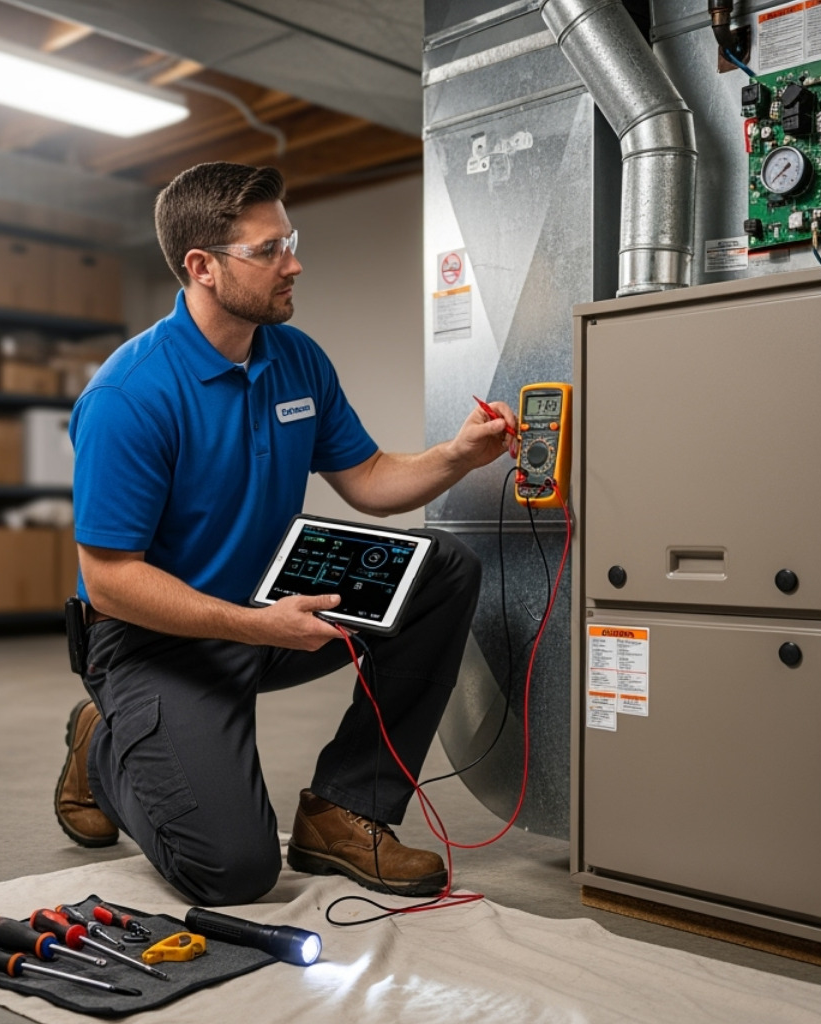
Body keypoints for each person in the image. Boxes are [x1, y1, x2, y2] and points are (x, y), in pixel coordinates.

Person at [54, 162, 517, 907]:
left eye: (288, 241)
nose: (292, 263)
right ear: (202, 267)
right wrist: (254, 626)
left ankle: (346, 808)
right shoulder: (128, 396)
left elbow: (366, 478)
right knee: (233, 872)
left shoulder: (294, 360)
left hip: (268, 603)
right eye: (266, 250)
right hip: (154, 639)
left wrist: (456, 456)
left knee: (443, 569)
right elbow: (110, 581)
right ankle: (105, 744)